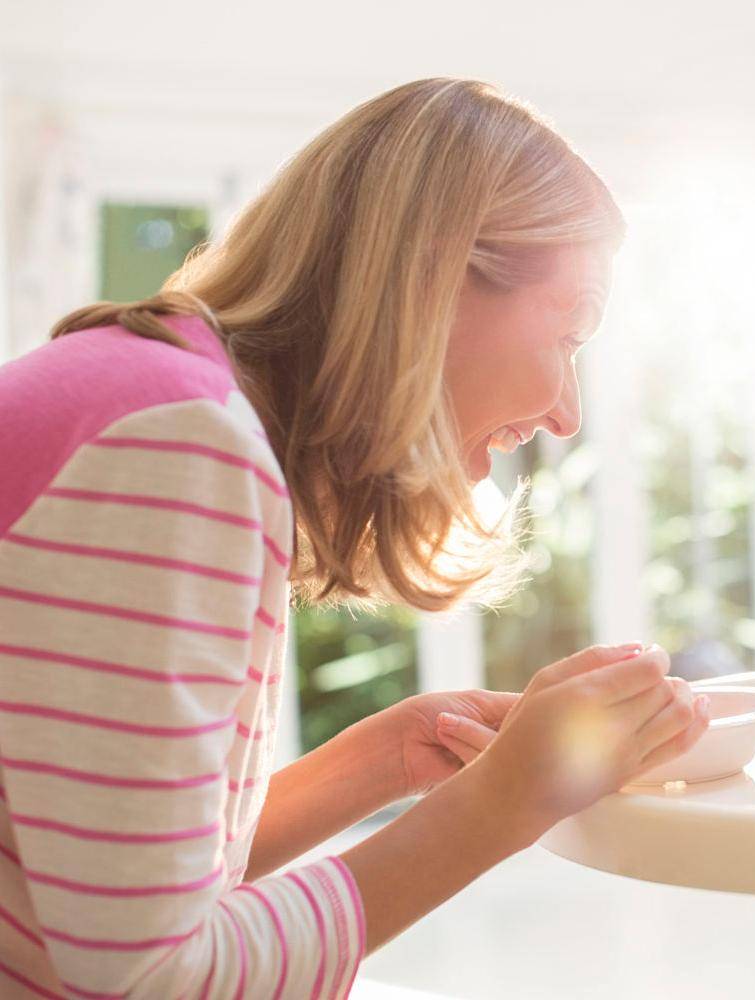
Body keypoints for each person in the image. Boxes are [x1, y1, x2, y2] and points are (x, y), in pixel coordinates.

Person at [0, 78, 709, 997]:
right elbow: (147, 980)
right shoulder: (177, 443)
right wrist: (502, 806)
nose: (568, 413)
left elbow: (117, 888)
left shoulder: (167, 402)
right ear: (431, 277)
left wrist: (390, 753)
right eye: (570, 331)